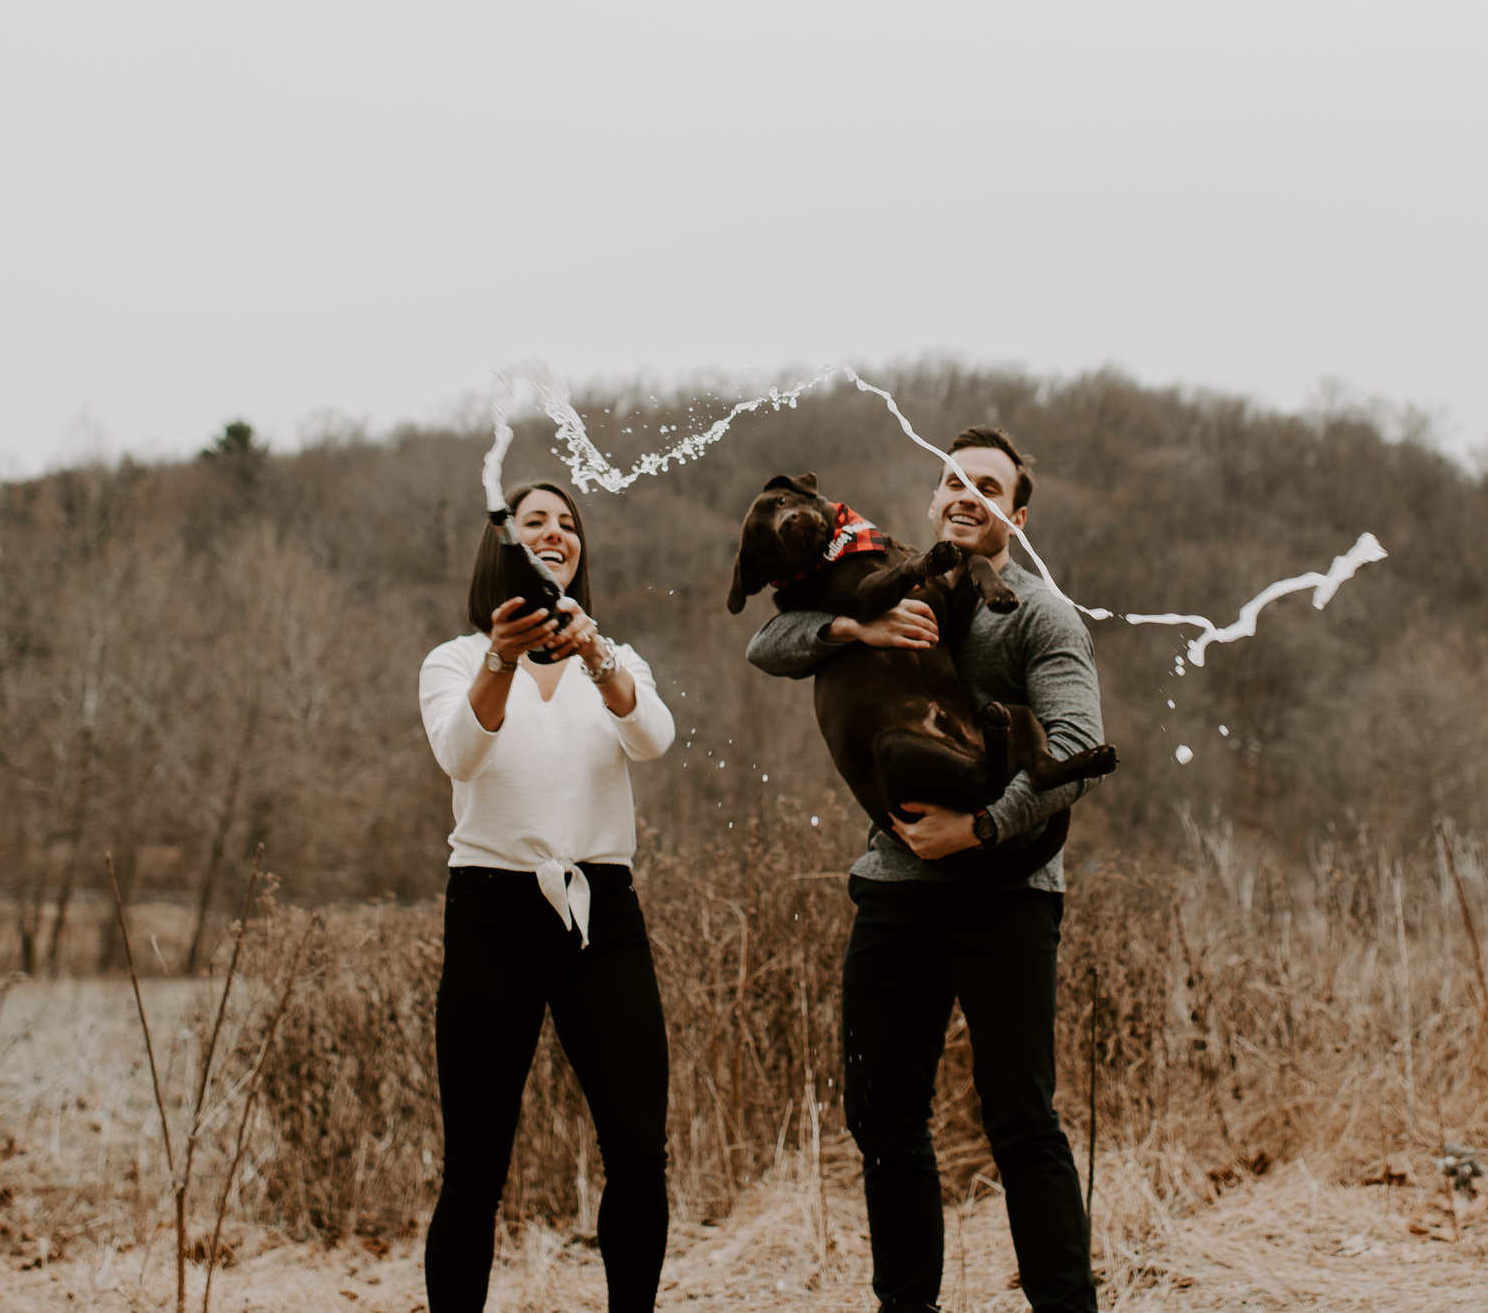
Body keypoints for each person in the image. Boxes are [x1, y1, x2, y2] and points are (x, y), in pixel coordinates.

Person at [746, 427, 1103, 1313]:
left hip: (1011, 900)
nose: (964, 493)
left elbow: (1075, 749)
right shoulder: (884, 586)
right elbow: (768, 645)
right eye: (952, 479)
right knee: (882, 1119)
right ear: (933, 498)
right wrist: (854, 625)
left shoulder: (1042, 616)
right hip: (895, 894)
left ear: (1014, 516)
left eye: (986, 485)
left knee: (1021, 1121)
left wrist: (979, 826)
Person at [419, 480, 678, 1313]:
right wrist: (500, 656)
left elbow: (654, 736)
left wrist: (597, 655)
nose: (557, 534)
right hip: (492, 911)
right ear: (506, 546)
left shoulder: (617, 659)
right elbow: (461, 754)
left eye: (569, 525)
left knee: (638, 1147)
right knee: (476, 1164)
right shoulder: (454, 659)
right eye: (537, 522)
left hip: (601, 908)